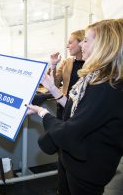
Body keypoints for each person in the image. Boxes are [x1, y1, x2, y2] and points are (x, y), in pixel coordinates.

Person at [26, 19, 123, 195]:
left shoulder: (106, 86)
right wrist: (53, 88)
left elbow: (70, 131)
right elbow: (78, 111)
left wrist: (42, 112)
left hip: (87, 168)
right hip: (73, 159)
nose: (81, 44)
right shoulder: (95, 78)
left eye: (86, 40)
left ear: (103, 46)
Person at [48, 29, 85, 118]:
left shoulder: (92, 65)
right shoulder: (66, 62)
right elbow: (55, 85)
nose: (67, 46)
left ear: (81, 43)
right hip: (63, 107)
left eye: (70, 42)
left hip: (81, 110)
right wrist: (53, 65)